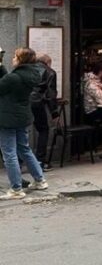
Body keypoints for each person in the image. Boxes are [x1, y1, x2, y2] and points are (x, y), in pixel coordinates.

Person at [0, 47, 49, 200]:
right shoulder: (30, 74)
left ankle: (16, 189)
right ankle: (40, 180)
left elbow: (3, 85)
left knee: (9, 153)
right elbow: (7, 80)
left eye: (15, 56)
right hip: (22, 117)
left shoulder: (14, 77)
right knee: (24, 149)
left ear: (21, 60)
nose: (13, 58)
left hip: (7, 118)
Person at [31, 53, 59, 170]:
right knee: (43, 130)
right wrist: (54, 113)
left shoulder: (29, 69)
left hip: (23, 102)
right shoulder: (50, 72)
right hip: (37, 103)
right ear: (48, 62)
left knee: (21, 132)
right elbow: (50, 94)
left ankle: (18, 162)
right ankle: (40, 162)